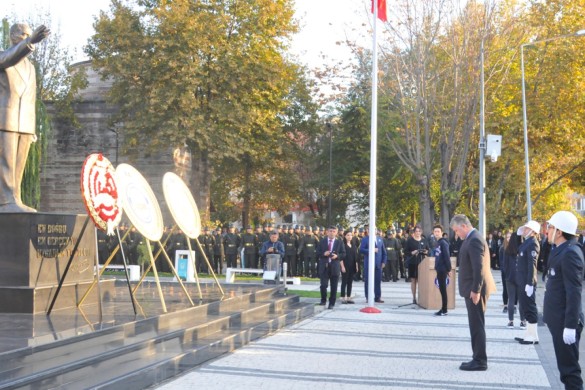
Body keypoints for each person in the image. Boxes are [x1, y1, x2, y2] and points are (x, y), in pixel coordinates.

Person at [0, 23, 50, 212]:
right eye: (24, 35)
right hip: (6, 119)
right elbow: (9, 58)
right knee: (6, 164)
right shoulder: (3, 56)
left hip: (25, 123)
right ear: (13, 36)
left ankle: (16, 199)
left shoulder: (31, 67)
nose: (28, 37)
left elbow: (31, 98)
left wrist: (33, 127)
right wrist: (30, 42)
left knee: (19, 167)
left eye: (29, 35)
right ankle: (5, 201)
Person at [450, 214, 496, 371]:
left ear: (464, 226)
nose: (457, 234)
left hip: (475, 290)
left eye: (457, 230)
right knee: (475, 324)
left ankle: (480, 361)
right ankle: (477, 357)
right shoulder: (471, 238)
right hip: (472, 289)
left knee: (477, 325)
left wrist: (476, 290)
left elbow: (479, 267)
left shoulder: (475, 239)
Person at [544, 211, 584, 389]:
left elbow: (574, 292)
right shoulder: (560, 250)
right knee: (565, 369)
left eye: (550, 227)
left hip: (564, 321)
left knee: (569, 371)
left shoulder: (570, 253)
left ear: (559, 231)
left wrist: (570, 325)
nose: (547, 231)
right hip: (558, 319)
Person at [514, 220, 541, 345]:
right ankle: (529, 334)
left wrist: (530, 283)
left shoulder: (533, 243)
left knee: (530, 307)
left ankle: (533, 336)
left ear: (533, 232)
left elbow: (532, 265)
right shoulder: (526, 243)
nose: (524, 231)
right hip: (522, 280)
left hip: (527, 281)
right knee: (525, 307)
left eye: (526, 229)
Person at [315, 226, 345, 309]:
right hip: (324, 266)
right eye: (330, 231)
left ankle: (332, 303)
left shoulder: (339, 242)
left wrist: (337, 256)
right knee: (323, 285)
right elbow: (317, 253)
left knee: (334, 286)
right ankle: (323, 300)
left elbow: (343, 254)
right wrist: (324, 254)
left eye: (334, 231)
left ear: (336, 232)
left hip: (334, 266)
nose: (332, 233)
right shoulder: (322, 241)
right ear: (327, 232)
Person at [359, 227, 387, 303]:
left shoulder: (380, 239)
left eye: (374, 229)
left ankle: (377, 297)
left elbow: (384, 252)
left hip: (378, 264)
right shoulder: (365, 239)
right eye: (370, 229)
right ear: (367, 231)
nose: (372, 230)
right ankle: (368, 297)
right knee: (368, 281)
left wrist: (383, 262)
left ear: (376, 231)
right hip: (368, 264)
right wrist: (371, 250)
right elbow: (361, 250)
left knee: (377, 281)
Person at [502, 232, 523, 328]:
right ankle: (523, 321)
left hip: (510, 277)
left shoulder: (507, 250)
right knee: (521, 300)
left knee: (511, 299)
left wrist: (507, 274)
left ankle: (511, 321)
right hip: (520, 277)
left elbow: (504, 265)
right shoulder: (522, 249)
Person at [404, 225, 429, 304]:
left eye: (419, 231)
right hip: (413, 262)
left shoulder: (424, 240)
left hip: (422, 262)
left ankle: (421, 297)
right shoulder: (410, 241)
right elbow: (406, 252)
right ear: (414, 232)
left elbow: (428, 250)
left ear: (421, 232)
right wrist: (412, 252)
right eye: (416, 231)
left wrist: (426, 252)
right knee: (414, 280)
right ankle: (414, 297)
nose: (418, 233)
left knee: (421, 281)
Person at [432, 224, 451, 316]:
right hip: (439, 268)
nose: (436, 233)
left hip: (443, 269)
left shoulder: (443, 243)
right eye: (435, 231)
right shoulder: (437, 243)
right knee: (441, 289)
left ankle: (444, 309)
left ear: (441, 233)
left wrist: (449, 269)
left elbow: (447, 256)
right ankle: (443, 308)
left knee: (443, 289)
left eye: (438, 231)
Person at [340, 229, 358, 304]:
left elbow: (355, 256)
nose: (349, 237)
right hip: (345, 265)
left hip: (352, 265)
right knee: (344, 281)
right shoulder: (342, 245)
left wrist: (356, 266)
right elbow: (341, 257)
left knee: (350, 282)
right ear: (345, 236)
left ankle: (349, 297)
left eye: (351, 235)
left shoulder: (353, 245)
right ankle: (343, 297)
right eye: (348, 235)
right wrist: (342, 266)